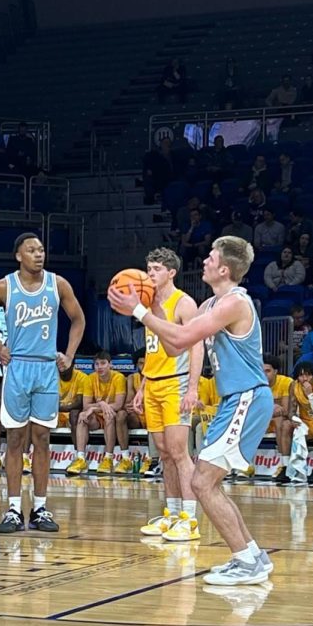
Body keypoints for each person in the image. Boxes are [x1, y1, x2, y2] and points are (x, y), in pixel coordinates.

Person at [109, 235, 273, 587]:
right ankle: (252, 554)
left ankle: (247, 561)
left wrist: (136, 310)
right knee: (208, 482)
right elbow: (172, 345)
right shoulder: (210, 304)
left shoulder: (233, 303)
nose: (205, 261)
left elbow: (183, 340)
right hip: (234, 400)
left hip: (247, 397)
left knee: (201, 482)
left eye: (211, 257)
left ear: (224, 268)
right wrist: (150, 307)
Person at [0, 233, 85, 535]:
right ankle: (12, 509)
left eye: (42, 249)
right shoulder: (3, 286)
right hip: (17, 367)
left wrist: (70, 354)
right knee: (16, 439)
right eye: (32, 250)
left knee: (43, 439)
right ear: (18, 255)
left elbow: (78, 319)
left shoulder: (58, 284)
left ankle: (40, 507)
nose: (39, 254)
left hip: (47, 367)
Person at [129, 248, 201, 540]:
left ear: (171, 272)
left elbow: (198, 346)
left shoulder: (183, 303)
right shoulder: (148, 303)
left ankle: (190, 518)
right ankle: (171, 514)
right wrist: (144, 385)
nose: (150, 274)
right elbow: (152, 351)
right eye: (148, 268)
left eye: (156, 269)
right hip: (154, 383)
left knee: (180, 452)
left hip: (177, 383)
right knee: (165, 454)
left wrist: (193, 387)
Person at [67, 350, 128, 475]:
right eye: (96, 364)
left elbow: (118, 405)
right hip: (97, 416)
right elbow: (85, 405)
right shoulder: (89, 379)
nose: (99, 367)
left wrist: (97, 406)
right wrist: (99, 405)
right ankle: (80, 458)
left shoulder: (119, 378)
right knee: (82, 416)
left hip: (111, 415)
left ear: (110, 364)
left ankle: (108, 458)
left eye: (103, 363)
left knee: (109, 415)